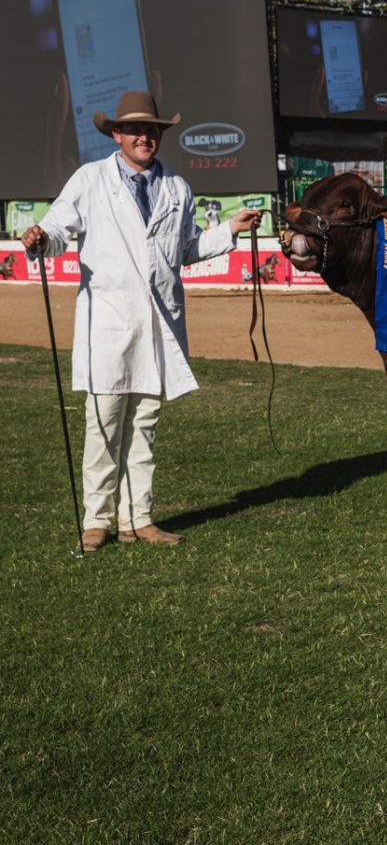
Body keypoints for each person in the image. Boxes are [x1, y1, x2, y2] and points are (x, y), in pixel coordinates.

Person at [23, 91, 262, 550]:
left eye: (151, 130)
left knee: (144, 426)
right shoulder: (90, 180)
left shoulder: (177, 187)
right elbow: (55, 230)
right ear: (117, 134)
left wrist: (229, 230)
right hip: (107, 324)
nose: (144, 137)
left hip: (159, 326)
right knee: (105, 423)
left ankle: (139, 519)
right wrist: (39, 238)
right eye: (135, 129)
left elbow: (187, 248)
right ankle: (98, 519)